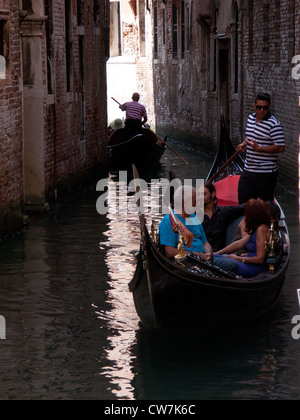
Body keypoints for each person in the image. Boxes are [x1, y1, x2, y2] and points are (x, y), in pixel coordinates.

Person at [159, 186, 237, 272]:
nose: (197, 205)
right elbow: (169, 252)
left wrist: (208, 255)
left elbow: (205, 242)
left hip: (203, 259)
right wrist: (195, 255)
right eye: (194, 202)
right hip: (186, 262)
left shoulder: (193, 217)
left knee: (233, 264)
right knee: (232, 265)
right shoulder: (169, 221)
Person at [236, 92, 285, 204]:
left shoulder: (274, 124)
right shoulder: (250, 119)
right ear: (254, 106)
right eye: (259, 107)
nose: (261, 110)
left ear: (269, 107)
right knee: (243, 201)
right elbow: (249, 137)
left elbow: (281, 147)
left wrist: (260, 149)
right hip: (249, 169)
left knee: (263, 206)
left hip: (266, 172)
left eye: (265, 108)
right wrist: (243, 144)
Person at [215, 198, 271, 278]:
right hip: (245, 261)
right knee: (213, 256)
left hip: (252, 267)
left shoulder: (261, 229)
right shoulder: (258, 228)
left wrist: (239, 258)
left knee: (212, 259)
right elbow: (239, 243)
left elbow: (260, 259)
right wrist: (219, 252)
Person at [202, 181, 246, 252]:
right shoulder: (194, 215)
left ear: (212, 194)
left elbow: (243, 207)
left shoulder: (223, 212)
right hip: (201, 253)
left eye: (204, 194)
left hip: (221, 253)